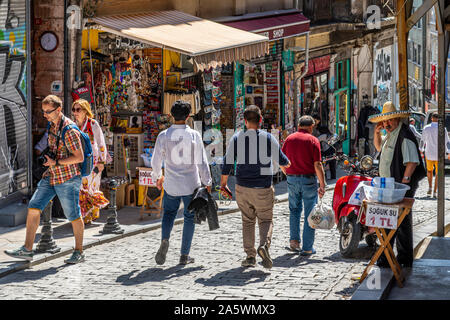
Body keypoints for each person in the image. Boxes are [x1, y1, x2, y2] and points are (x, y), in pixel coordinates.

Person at [5, 95, 86, 264]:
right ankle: (27, 249)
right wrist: (50, 167)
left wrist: (56, 163)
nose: (44, 115)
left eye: (48, 112)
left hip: (68, 179)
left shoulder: (69, 130)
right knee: (34, 206)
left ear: (58, 110)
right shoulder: (52, 126)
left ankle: (79, 251)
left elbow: (78, 157)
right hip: (52, 176)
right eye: (43, 111)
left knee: (73, 215)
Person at [220, 105, 290, 269]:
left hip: (242, 187)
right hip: (263, 187)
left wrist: (223, 184)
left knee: (247, 220)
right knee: (265, 219)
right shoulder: (268, 138)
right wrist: (289, 173)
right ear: (260, 120)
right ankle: (264, 245)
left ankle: (250, 256)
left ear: (244, 122)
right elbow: (283, 162)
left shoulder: (237, 138)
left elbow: (227, 163)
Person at [151, 100, 212, 266]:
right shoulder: (194, 135)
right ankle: (184, 255)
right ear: (188, 116)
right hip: (190, 184)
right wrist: (207, 181)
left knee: (169, 214)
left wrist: (157, 177)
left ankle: (165, 239)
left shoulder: (163, 135)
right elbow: (201, 161)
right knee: (189, 217)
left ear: (170, 115)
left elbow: (156, 160)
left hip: (171, 183)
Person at [371, 101, 426, 268]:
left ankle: (391, 258)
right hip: (391, 186)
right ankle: (398, 257)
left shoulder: (405, 134)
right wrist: (376, 132)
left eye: (390, 120)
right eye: (385, 121)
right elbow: (379, 147)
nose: (387, 123)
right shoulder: (391, 133)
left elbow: (412, 162)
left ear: (397, 119)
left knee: (396, 221)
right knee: (397, 221)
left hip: (400, 187)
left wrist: (404, 183)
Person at [281, 115, 326, 255]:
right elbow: (317, 165)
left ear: (299, 125)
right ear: (311, 127)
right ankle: (307, 247)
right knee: (309, 213)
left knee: (294, 210)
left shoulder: (289, 139)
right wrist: (322, 184)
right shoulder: (313, 140)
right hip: (308, 180)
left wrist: (287, 173)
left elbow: (282, 161)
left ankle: (294, 242)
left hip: (292, 179)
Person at [72, 99, 110, 224]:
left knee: (91, 187)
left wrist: (101, 161)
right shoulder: (73, 125)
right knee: (80, 188)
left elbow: (101, 143)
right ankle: (83, 215)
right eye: (74, 109)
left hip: (93, 162)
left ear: (85, 111)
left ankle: (89, 214)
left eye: (78, 109)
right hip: (78, 161)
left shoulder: (93, 124)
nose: (75, 112)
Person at [419, 112, 450, 198]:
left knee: (429, 171)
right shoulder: (443, 129)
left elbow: (422, 140)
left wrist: (421, 150)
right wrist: (448, 152)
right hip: (439, 154)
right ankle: (435, 191)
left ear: (431, 118)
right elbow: (447, 141)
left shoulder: (426, 128)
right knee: (438, 173)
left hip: (429, 153)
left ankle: (430, 187)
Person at [312, 113, 336, 180]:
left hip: (326, 150)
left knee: (323, 163)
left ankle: (324, 177)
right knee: (331, 164)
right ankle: (332, 177)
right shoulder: (327, 134)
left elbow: (316, 140)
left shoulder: (323, 135)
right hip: (330, 149)